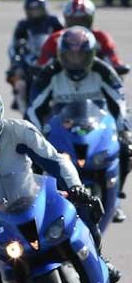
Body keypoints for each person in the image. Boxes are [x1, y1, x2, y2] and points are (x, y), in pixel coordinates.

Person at [0, 83, 120, 283]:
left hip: (35, 202)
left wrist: (75, 186)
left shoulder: (19, 130)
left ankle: (99, 260)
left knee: (83, 207)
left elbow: (56, 161)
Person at [28, 27, 131, 222]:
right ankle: (37, 199)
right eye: (70, 56)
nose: (75, 61)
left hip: (97, 128)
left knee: (126, 148)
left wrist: (122, 129)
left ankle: (115, 198)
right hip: (62, 128)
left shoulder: (103, 71)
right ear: (60, 55)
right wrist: (36, 133)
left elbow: (120, 102)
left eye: (81, 56)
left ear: (91, 55)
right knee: (33, 154)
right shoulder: (50, 74)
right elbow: (33, 108)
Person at [36, 0, 128, 76]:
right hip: (62, 87)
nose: (78, 25)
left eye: (82, 20)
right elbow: (42, 64)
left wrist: (117, 67)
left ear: (90, 19)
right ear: (66, 20)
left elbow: (113, 59)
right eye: (74, 21)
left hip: (97, 84)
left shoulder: (101, 37)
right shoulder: (56, 38)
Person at [6, 0, 63, 110]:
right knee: (17, 76)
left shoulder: (54, 21)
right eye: (32, 10)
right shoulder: (23, 24)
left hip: (51, 56)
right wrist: (15, 60)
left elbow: (65, 37)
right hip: (30, 57)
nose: (35, 12)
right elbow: (13, 45)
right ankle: (21, 104)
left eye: (38, 9)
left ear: (44, 8)